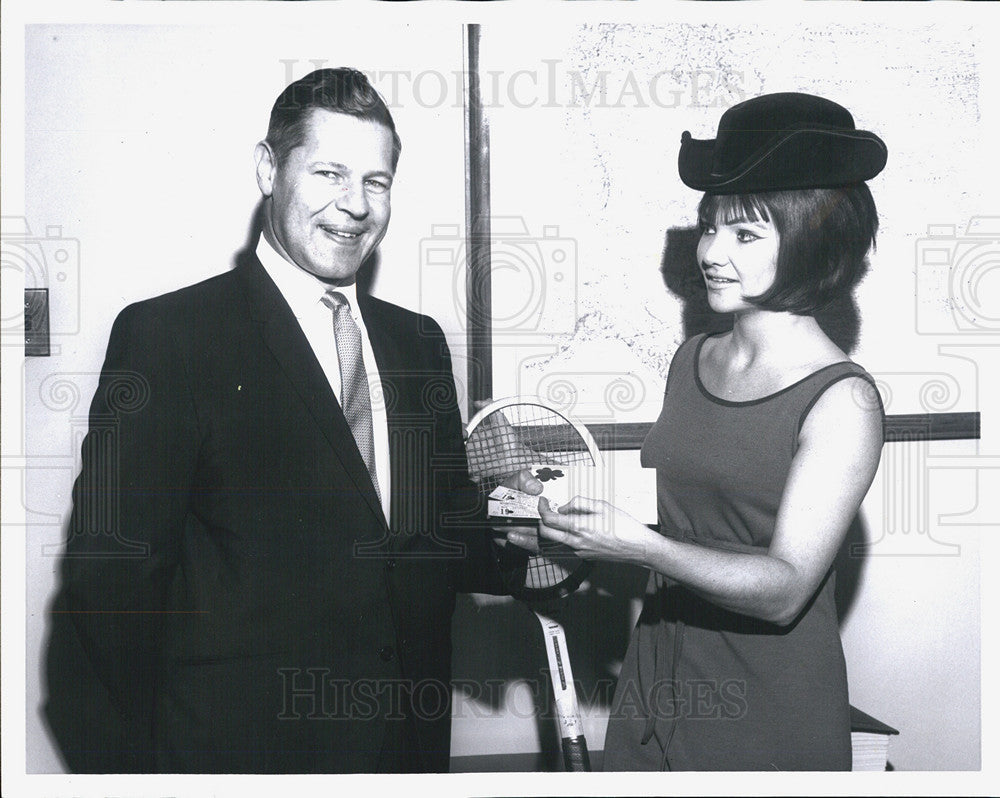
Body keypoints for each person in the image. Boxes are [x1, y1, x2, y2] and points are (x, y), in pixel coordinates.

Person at [43, 67, 539, 774]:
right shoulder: (171, 338)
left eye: (376, 181)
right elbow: (111, 586)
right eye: (330, 173)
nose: (355, 205)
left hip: (404, 756)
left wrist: (530, 538)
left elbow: (434, 540)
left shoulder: (418, 343)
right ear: (268, 169)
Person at [511, 92, 888, 771]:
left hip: (764, 705)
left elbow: (784, 590)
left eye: (745, 235)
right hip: (657, 674)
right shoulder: (693, 359)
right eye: (709, 226)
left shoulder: (845, 401)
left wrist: (642, 549)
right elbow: (683, 529)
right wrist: (565, 529)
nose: (710, 252)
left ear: (810, 243)